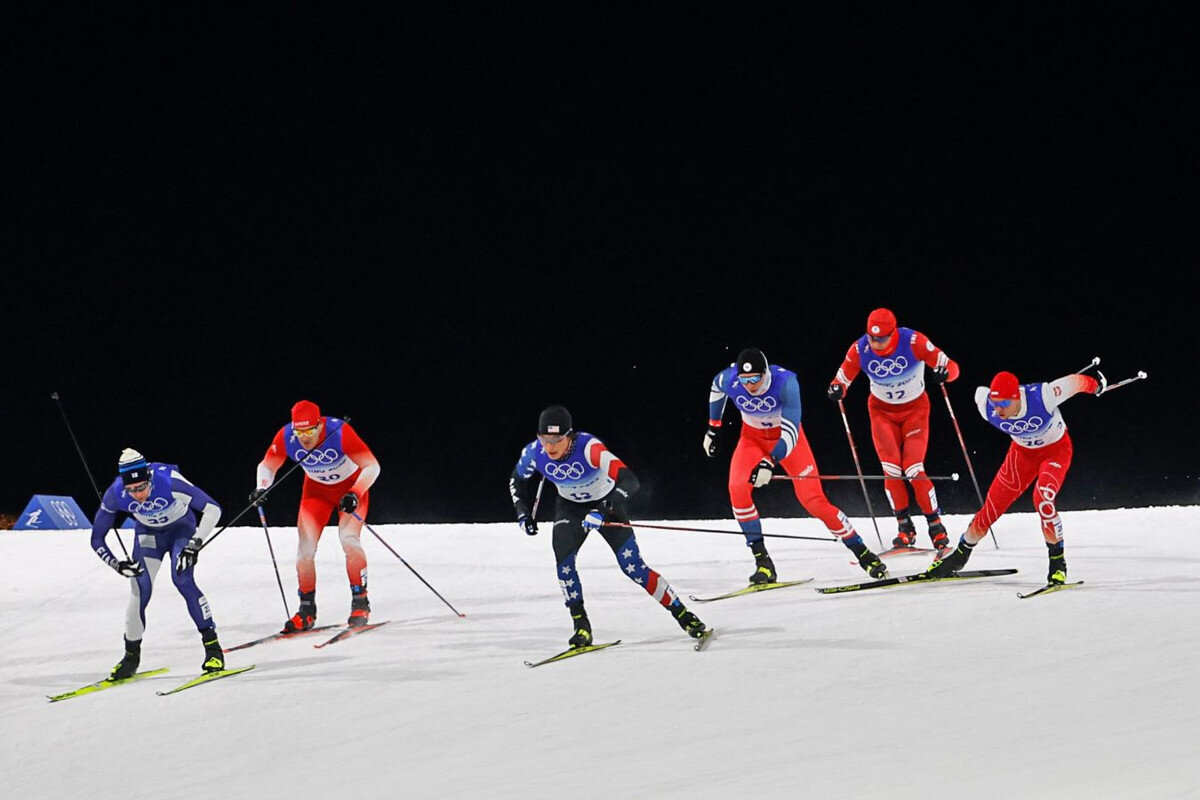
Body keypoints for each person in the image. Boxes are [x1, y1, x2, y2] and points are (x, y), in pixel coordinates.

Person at [509, 405, 708, 647]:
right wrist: (522, 513)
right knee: (564, 564)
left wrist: (603, 510)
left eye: (556, 439)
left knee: (633, 567)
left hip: (606, 504)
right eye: (545, 439)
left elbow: (630, 481)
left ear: (569, 435)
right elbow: (517, 479)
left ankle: (684, 615)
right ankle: (581, 628)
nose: (550, 446)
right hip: (570, 508)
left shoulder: (589, 448)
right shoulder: (534, 452)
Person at [704, 348, 887, 583]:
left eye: (755, 379)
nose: (750, 385)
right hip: (752, 439)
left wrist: (770, 462)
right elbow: (716, 388)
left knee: (814, 502)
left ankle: (862, 552)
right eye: (745, 380)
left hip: (789, 441)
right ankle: (763, 563)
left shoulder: (786, 382)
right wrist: (714, 427)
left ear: (766, 373)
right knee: (737, 488)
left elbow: (790, 431)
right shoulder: (730, 379)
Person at [925, 369, 1105, 583]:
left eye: (1003, 404)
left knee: (1043, 500)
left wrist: (1097, 387)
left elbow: (1075, 382)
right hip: (1021, 456)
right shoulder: (986, 405)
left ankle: (1057, 562)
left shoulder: (1044, 395)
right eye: (995, 403)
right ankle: (960, 556)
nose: (998, 409)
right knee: (991, 509)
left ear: (1017, 397)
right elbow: (979, 392)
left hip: (1055, 451)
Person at [826, 307, 960, 553]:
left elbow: (952, 366)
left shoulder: (914, 341)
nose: (876, 343)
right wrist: (837, 388)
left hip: (915, 412)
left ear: (893, 333)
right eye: (872, 338)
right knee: (891, 471)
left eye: (881, 338)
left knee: (913, 469)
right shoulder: (860, 348)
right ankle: (904, 527)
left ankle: (936, 526)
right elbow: (842, 376)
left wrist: (945, 373)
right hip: (881, 413)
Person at [90, 448, 225, 680]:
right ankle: (131, 658)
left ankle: (213, 649)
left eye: (142, 487)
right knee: (139, 589)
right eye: (131, 490)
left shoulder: (169, 482)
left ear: (149, 478)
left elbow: (213, 508)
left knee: (182, 579)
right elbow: (96, 538)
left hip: (181, 531)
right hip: (148, 535)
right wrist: (117, 565)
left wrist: (195, 544)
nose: (138, 495)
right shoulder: (115, 493)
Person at [250, 400, 381, 631]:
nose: (305, 437)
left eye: (310, 430)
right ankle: (306, 610)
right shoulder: (286, 436)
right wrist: (261, 488)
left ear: (320, 426)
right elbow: (268, 466)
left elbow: (372, 466)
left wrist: (355, 492)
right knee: (304, 551)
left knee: (349, 541)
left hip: (349, 491)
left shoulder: (339, 431)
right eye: (300, 432)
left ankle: (361, 603)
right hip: (316, 494)